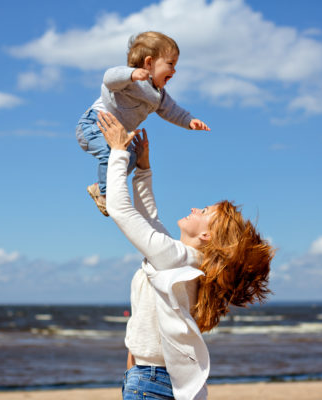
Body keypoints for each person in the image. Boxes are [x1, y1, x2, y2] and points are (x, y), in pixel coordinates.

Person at [97, 111, 273, 400]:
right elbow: (150, 220)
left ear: (207, 236)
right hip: (151, 378)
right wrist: (143, 170)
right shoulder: (184, 259)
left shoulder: (175, 258)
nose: (195, 209)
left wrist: (118, 152)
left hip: (150, 380)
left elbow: (122, 211)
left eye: (203, 212)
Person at [76, 31, 210, 217]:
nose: (174, 71)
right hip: (94, 125)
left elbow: (172, 110)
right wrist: (131, 74)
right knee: (113, 154)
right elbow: (109, 77)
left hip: (117, 136)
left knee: (128, 158)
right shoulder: (130, 80)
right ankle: (107, 195)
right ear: (148, 63)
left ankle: (100, 188)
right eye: (170, 64)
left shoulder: (158, 95)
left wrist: (189, 121)